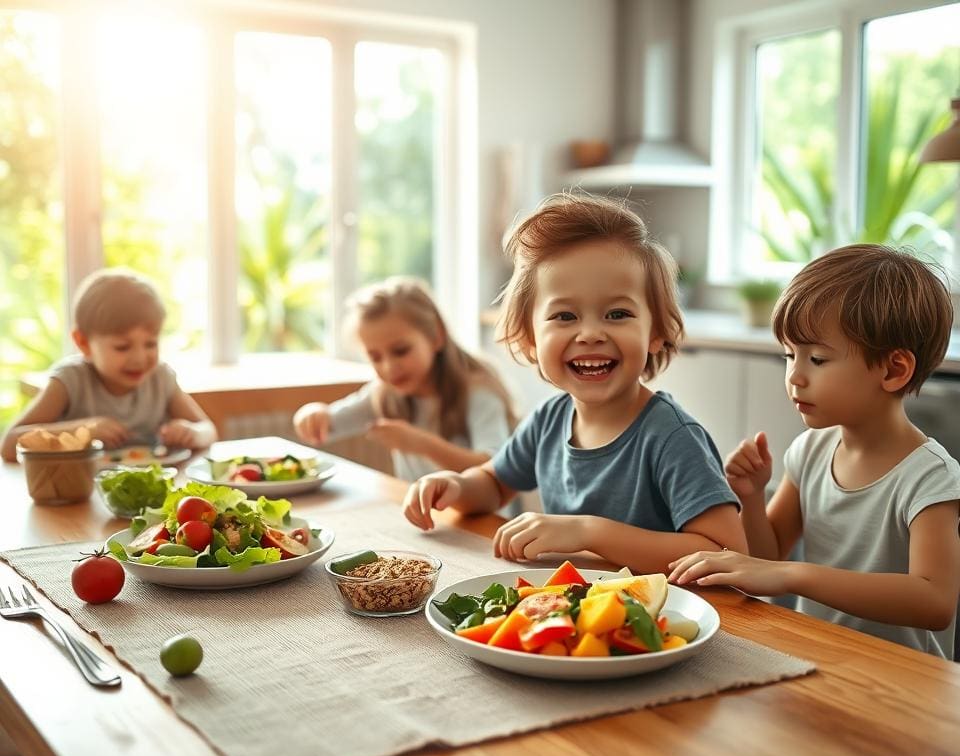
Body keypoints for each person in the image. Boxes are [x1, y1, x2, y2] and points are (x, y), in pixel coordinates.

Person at [401, 193, 747, 574]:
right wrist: (456, 486)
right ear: (530, 339)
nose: (591, 334)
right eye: (564, 316)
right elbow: (494, 484)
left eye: (617, 313)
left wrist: (588, 532)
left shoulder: (672, 436)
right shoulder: (550, 418)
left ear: (656, 333)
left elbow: (726, 552)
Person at [668, 244, 960, 659]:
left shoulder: (931, 478)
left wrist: (793, 576)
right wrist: (751, 497)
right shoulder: (812, 449)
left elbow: (935, 602)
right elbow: (767, 556)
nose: (795, 377)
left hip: (904, 682)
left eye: (818, 359)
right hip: (820, 656)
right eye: (790, 355)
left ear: (894, 370)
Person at [293, 277, 517, 485]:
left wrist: (422, 444)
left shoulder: (477, 392)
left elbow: (496, 468)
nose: (389, 367)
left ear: (436, 336)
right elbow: (329, 423)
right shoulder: (383, 393)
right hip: (428, 519)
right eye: (375, 357)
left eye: (400, 351)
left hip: (485, 523)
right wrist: (312, 413)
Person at [1, 269, 217, 462]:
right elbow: (9, 445)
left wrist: (192, 433)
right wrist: (84, 430)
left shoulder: (160, 378)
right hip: (82, 495)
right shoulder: (70, 381)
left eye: (150, 344)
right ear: (83, 343)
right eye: (122, 347)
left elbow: (209, 430)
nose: (140, 358)